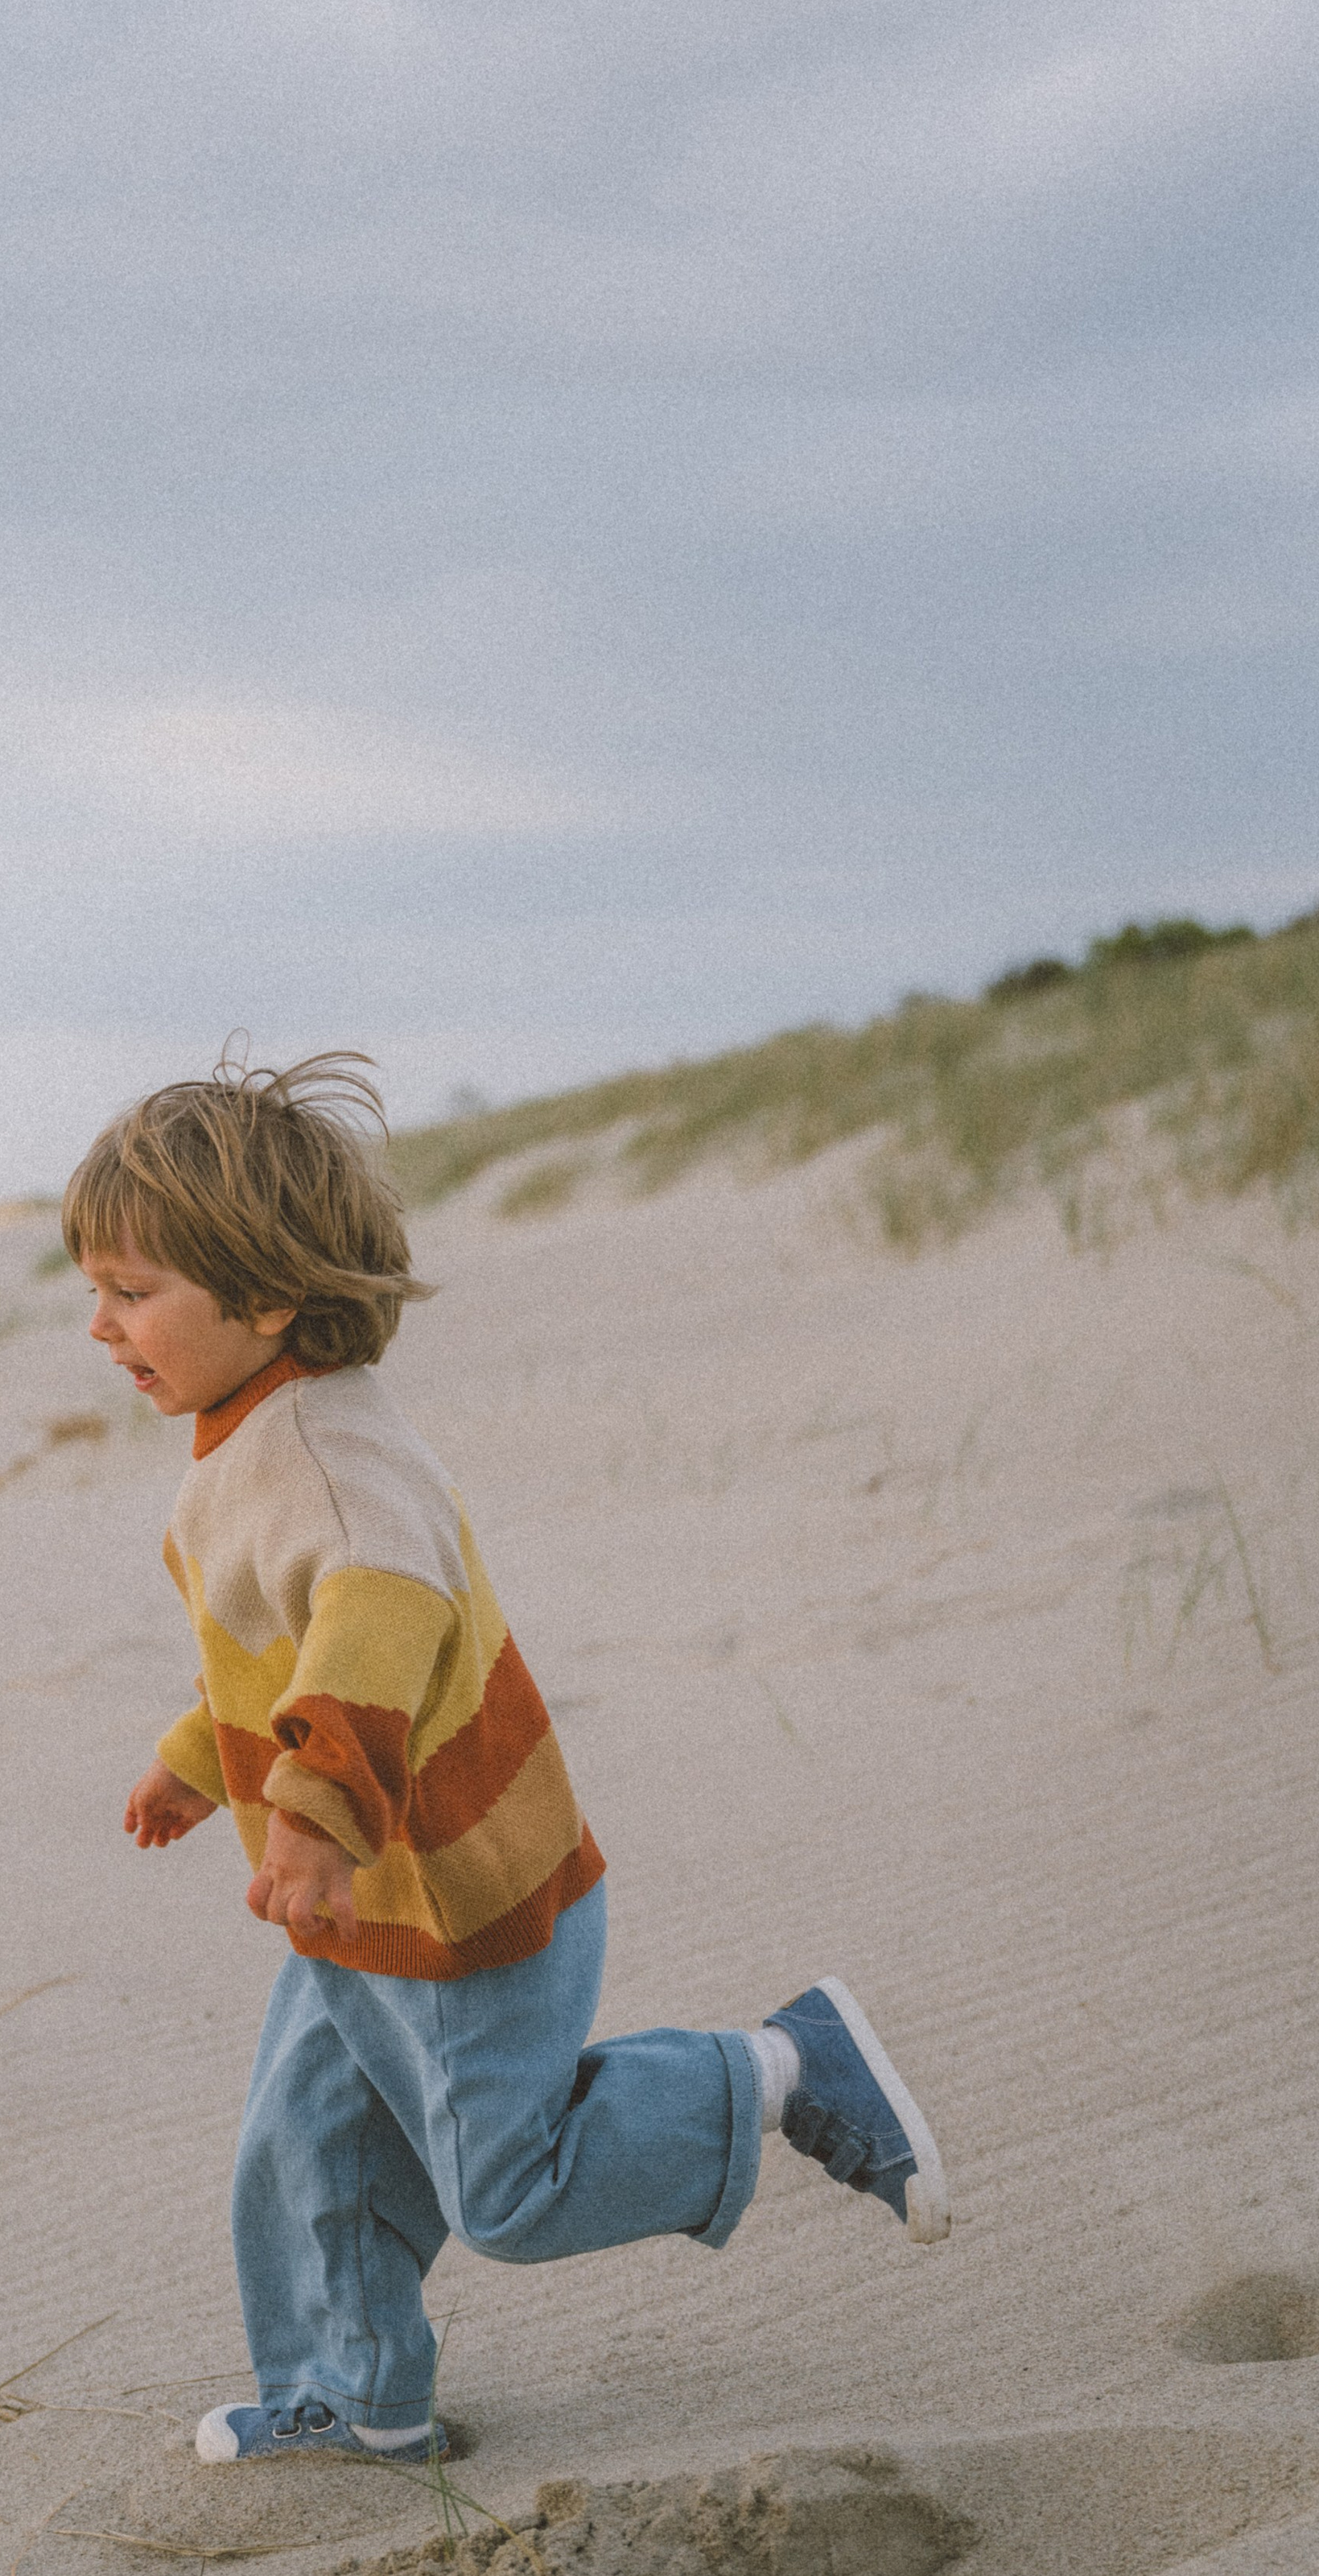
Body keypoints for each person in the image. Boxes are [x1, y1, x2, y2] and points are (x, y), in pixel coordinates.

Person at [61, 1052, 949, 2467]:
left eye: (131, 1291)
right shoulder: (241, 1439)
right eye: (94, 1287)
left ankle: (783, 2066)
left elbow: (378, 1627)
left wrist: (312, 1816)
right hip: (366, 1905)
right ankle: (362, 2399)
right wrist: (197, 1756)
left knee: (513, 2195)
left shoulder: (330, 1459)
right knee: (311, 2150)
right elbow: (271, 1644)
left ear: (269, 1298)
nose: (100, 1326)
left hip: (461, 1901)